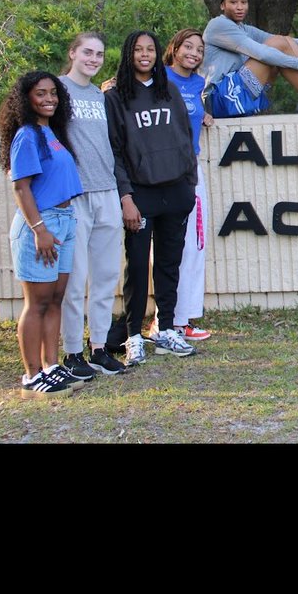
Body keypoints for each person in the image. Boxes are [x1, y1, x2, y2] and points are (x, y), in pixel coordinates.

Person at [103, 30, 198, 365]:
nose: (145, 55)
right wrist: (126, 197)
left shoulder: (168, 89)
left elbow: (186, 139)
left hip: (175, 191)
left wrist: (190, 184)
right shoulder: (115, 97)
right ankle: (132, 336)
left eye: (151, 50)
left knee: (170, 264)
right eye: (138, 50)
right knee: (138, 266)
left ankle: (166, 329)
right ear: (129, 54)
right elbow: (114, 150)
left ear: (159, 55)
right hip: (140, 194)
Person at [0, 72, 86, 397]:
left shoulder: (52, 131)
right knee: (37, 303)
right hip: (41, 225)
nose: (49, 99)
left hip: (64, 221)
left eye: (53, 93)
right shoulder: (27, 135)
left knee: (55, 298)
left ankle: (51, 365)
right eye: (40, 94)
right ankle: (32, 374)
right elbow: (21, 186)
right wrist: (40, 230)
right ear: (26, 99)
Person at [57, 33, 128, 379]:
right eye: (87, 52)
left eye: (99, 53)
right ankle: (72, 352)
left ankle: (98, 348)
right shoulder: (56, 89)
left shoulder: (101, 96)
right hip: (75, 195)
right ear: (72, 53)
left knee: (105, 277)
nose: (93, 58)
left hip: (107, 191)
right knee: (75, 279)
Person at [147, 28, 213, 342]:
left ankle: (181, 319)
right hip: (163, 171)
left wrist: (206, 115)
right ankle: (165, 321)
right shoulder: (158, 77)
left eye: (199, 50)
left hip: (191, 167)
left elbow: (191, 113)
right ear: (174, 49)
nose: (194, 53)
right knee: (168, 245)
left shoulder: (199, 84)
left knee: (194, 243)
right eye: (188, 47)